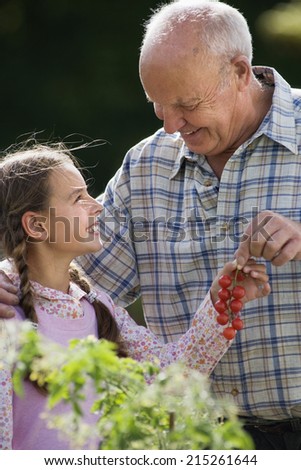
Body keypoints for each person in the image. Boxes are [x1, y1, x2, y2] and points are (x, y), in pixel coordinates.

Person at [0, 0, 301, 449]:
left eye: (187, 104)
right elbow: (55, 272)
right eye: (159, 106)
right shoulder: (147, 166)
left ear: (240, 72)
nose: (173, 125)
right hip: (199, 443)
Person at [0, 143, 269, 450]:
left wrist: (222, 298)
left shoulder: (95, 305)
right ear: (36, 225)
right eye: (78, 198)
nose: (97, 206)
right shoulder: (7, 317)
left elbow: (168, 377)